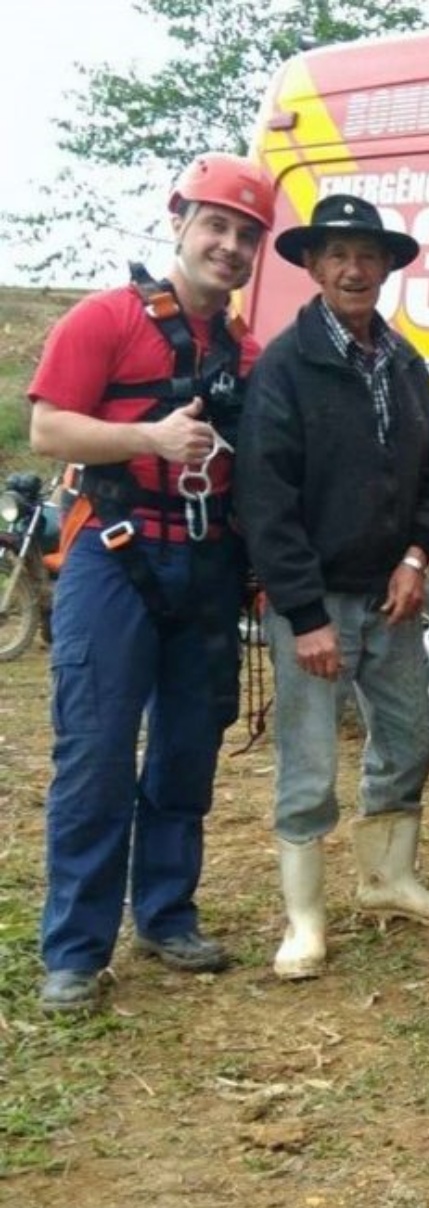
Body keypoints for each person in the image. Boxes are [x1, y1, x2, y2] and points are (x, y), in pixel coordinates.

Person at [27, 153, 276, 1014]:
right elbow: (47, 428)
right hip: (116, 552)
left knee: (185, 752)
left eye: (248, 235)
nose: (231, 246)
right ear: (179, 221)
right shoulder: (106, 319)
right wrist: (152, 443)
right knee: (94, 754)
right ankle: (74, 949)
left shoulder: (247, 353)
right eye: (217, 226)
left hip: (209, 563)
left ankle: (166, 913)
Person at [234, 193, 429, 981]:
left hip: (392, 595)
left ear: (388, 268)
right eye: (337, 254)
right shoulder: (284, 366)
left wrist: (415, 557)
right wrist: (304, 615)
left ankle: (387, 879)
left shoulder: (404, 363)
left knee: (409, 737)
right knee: (307, 762)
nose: (354, 268)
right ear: (312, 266)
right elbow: (264, 500)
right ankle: (305, 920)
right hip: (317, 605)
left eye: (368, 255)